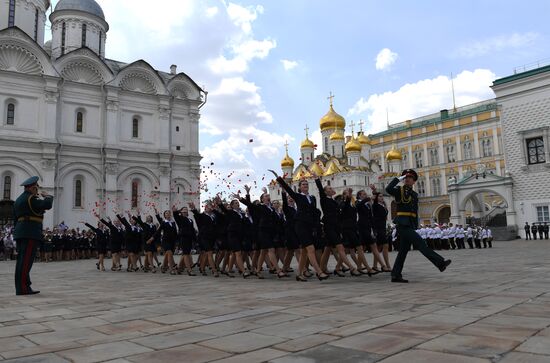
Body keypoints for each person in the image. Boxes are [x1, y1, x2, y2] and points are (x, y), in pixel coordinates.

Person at [386, 169, 451, 283]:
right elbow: (388, 189)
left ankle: (395, 274)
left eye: (410, 177)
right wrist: (399, 179)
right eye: (405, 177)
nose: (407, 179)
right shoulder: (399, 190)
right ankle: (440, 263)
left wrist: (415, 225)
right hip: (402, 223)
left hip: (409, 224)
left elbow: (414, 211)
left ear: (414, 181)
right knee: (421, 244)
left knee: (403, 252)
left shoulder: (414, 194)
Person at [271, 171, 328, 281]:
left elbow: (319, 198)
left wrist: (317, 179)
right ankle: (319, 272)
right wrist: (279, 179)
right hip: (300, 225)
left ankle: (299, 274)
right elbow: (288, 189)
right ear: (300, 187)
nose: (305, 186)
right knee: (310, 248)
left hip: (309, 226)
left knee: (304, 252)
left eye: (306, 184)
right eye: (303, 184)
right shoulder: (297, 196)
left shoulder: (312, 198)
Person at [13, 176, 54, 295]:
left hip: (21, 232)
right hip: (30, 232)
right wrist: (48, 196)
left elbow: (16, 219)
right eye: (36, 187)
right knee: (26, 261)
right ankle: (23, 288)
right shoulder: (31, 198)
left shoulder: (18, 201)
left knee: (21, 261)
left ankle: (23, 286)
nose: (37, 190)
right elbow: (47, 204)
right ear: (32, 187)